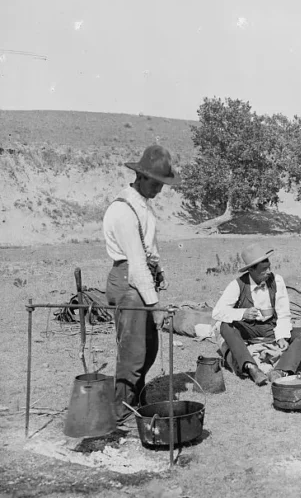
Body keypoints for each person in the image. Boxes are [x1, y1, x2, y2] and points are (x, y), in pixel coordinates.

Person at [103, 145, 180, 424]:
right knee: (133, 353)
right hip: (129, 282)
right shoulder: (123, 210)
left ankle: (136, 399)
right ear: (140, 176)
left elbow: (147, 250)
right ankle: (121, 410)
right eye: (155, 183)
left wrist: (159, 271)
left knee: (149, 348)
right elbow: (135, 265)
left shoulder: (142, 205)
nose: (159, 189)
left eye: (162, 184)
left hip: (141, 279)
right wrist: (155, 306)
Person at [212, 244, 301, 385]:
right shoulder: (237, 285)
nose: (268, 272)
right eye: (263, 270)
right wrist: (243, 313)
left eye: (269, 267)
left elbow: (283, 313)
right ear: (251, 270)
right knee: (225, 326)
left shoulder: (277, 281)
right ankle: (251, 366)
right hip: (246, 330)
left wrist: (281, 336)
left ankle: (280, 371)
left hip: (270, 329)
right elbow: (217, 312)